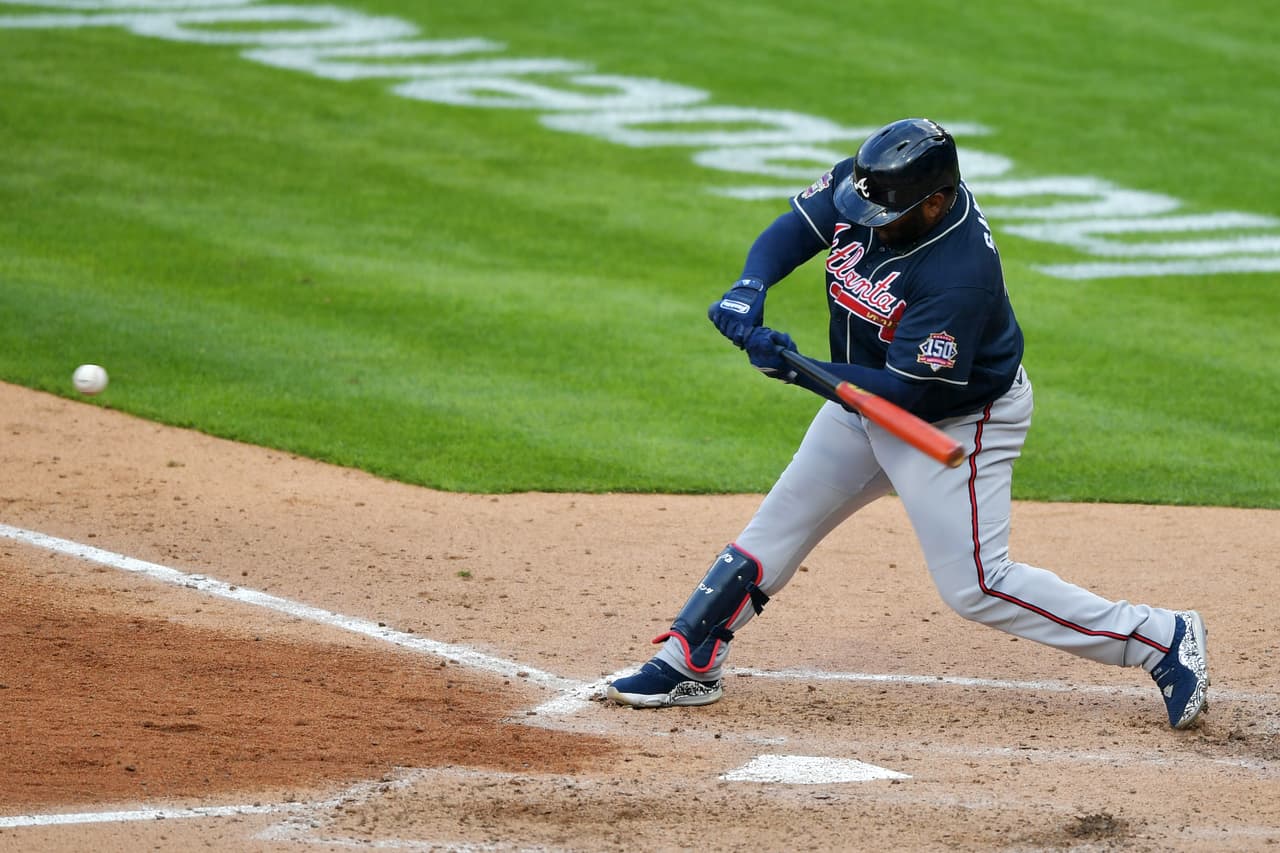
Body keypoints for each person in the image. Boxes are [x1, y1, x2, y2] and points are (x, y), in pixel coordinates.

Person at [606, 118, 1209, 729]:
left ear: (937, 200)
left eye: (885, 217)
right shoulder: (875, 188)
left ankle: (1160, 638)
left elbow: (908, 393)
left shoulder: (959, 271)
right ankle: (691, 660)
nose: (869, 224)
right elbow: (796, 229)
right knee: (779, 523)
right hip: (856, 400)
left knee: (976, 585)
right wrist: (749, 285)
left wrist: (797, 370)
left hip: (954, 421)